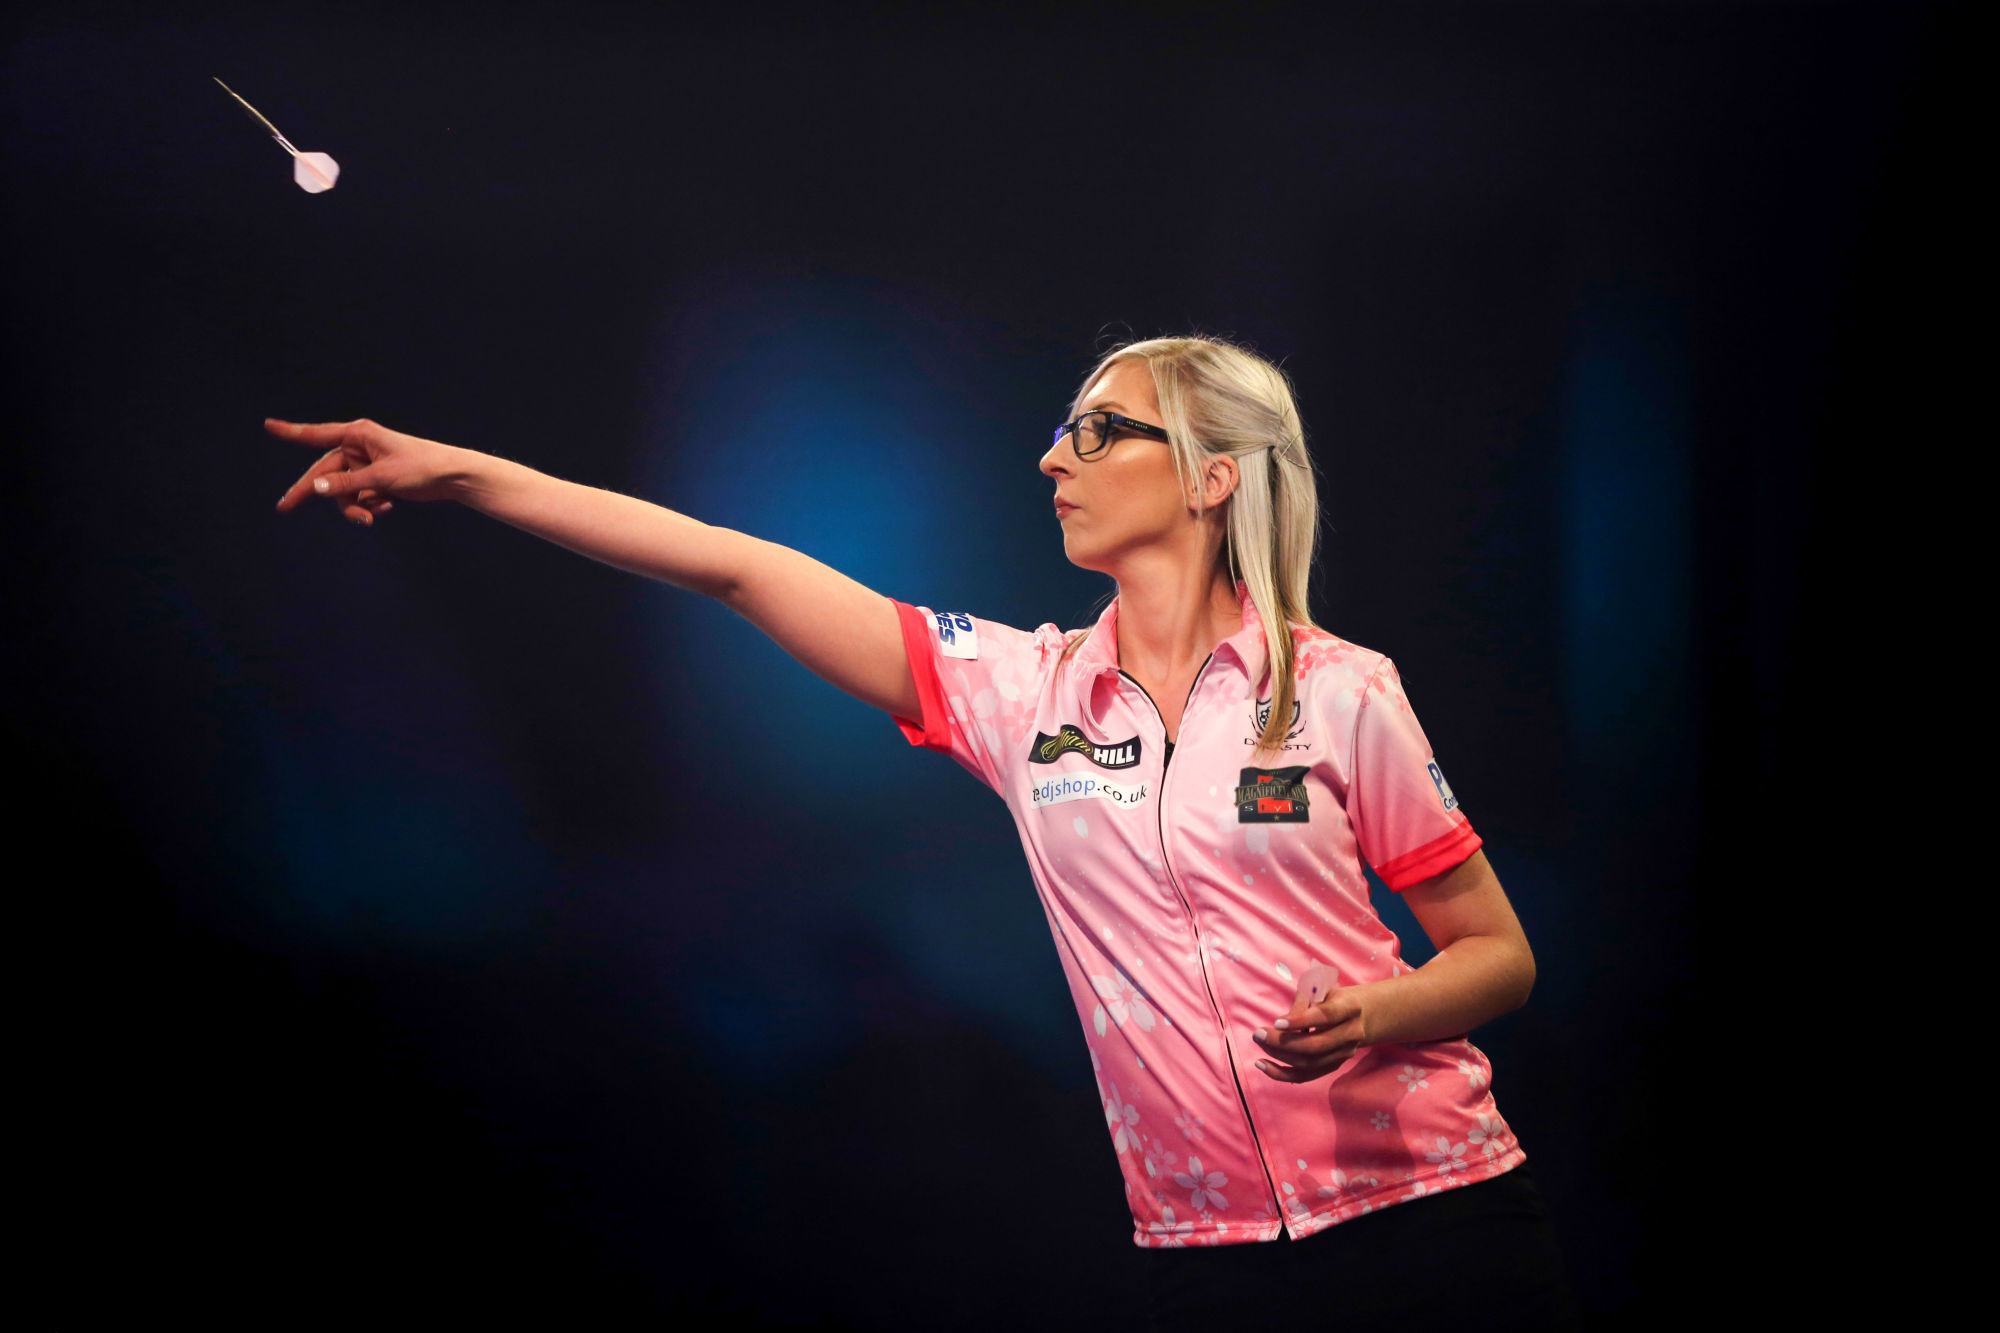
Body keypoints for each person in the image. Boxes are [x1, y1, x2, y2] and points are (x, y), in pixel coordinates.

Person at [269, 334, 1584, 1331]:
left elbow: (1496, 953)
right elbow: (736, 563)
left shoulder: (1344, 688)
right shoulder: (1019, 690)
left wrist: (1374, 1010)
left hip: (1438, 1216)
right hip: (1211, 1256)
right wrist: (466, 475)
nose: (1050, 457)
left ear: (1210, 476)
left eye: (1096, 430)